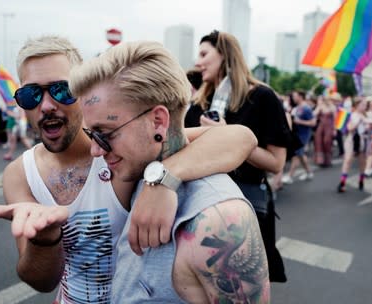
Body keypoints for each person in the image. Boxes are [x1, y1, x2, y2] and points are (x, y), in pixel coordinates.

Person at [0, 36, 258, 303]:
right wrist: (44, 240)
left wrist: (161, 180)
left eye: (62, 90)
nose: (46, 105)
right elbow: (41, 281)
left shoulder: (122, 149)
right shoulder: (21, 174)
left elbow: (238, 137)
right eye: (30, 95)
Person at [70, 40, 270, 303]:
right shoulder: (142, 166)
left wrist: (163, 178)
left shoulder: (218, 222)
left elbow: (245, 137)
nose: (96, 150)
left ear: (158, 121)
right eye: (91, 134)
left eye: (104, 134)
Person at [184, 30, 292, 283]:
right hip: (198, 204)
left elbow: (276, 163)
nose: (198, 62)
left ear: (225, 54)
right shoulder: (201, 100)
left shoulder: (262, 97)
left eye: (204, 54)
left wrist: (228, 136)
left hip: (244, 206)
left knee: (240, 285)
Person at [282, 90, 317, 183]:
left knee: (296, 155)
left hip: (304, 135)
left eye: (295, 96)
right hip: (296, 134)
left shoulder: (306, 108)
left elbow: (313, 123)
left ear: (300, 96)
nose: (293, 98)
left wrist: (299, 122)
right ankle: (309, 172)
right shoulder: (297, 107)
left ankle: (290, 176)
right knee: (300, 155)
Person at [337, 96, 371, 192]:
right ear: (357, 105)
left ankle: (361, 180)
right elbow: (349, 128)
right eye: (362, 104)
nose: (364, 106)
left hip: (363, 140)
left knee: (362, 162)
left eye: (365, 105)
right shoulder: (351, 115)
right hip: (352, 139)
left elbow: (368, 130)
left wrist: (368, 126)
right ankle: (342, 183)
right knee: (347, 160)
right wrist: (359, 121)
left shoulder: (367, 115)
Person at [313, 94, 337, 167]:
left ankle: (328, 160)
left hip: (329, 126)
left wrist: (334, 129)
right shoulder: (320, 106)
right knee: (319, 142)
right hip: (321, 126)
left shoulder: (332, 107)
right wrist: (318, 106)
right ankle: (321, 160)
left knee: (327, 142)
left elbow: (335, 119)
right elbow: (314, 114)